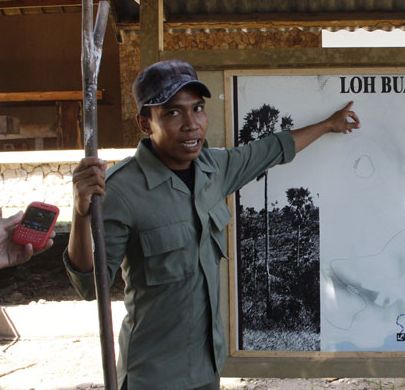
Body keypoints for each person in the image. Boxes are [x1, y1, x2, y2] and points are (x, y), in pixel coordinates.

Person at [65, 59, 359, 389]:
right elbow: (92, 286)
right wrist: (80, 212)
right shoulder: (121, 190)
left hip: (206, 368)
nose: (191, 124)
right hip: (153, 375)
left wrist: (328, 124)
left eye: (198, 109)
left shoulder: (213, 169)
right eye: (173, 113)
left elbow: (271, 149)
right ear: (146, 123)